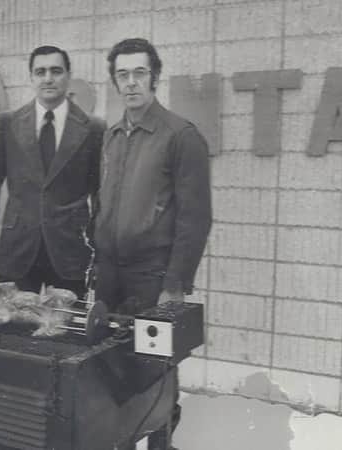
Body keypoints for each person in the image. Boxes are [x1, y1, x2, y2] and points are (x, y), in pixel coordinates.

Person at [94, 38, 212, 450]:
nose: (131, 83)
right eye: (122, 75)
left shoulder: (181, 136)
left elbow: (195, 218)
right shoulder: (111, 137)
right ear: (115, 82)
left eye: (139, 73)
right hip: (110, 276)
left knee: (158, 372)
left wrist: (175, 284)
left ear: (155, 77)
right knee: (112, 370)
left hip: (152, 277)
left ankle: (162, 444)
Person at [0, 45, 104, 298]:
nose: (48, 78)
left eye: (56, 71)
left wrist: (100, 255)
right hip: (18, 251)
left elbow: (100, 198)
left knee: (65, 332)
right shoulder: (9, 123)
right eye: (40, 71)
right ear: (31, 77)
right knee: (13, 331)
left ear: (67, 75)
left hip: (70, 254)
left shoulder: (94, 128)